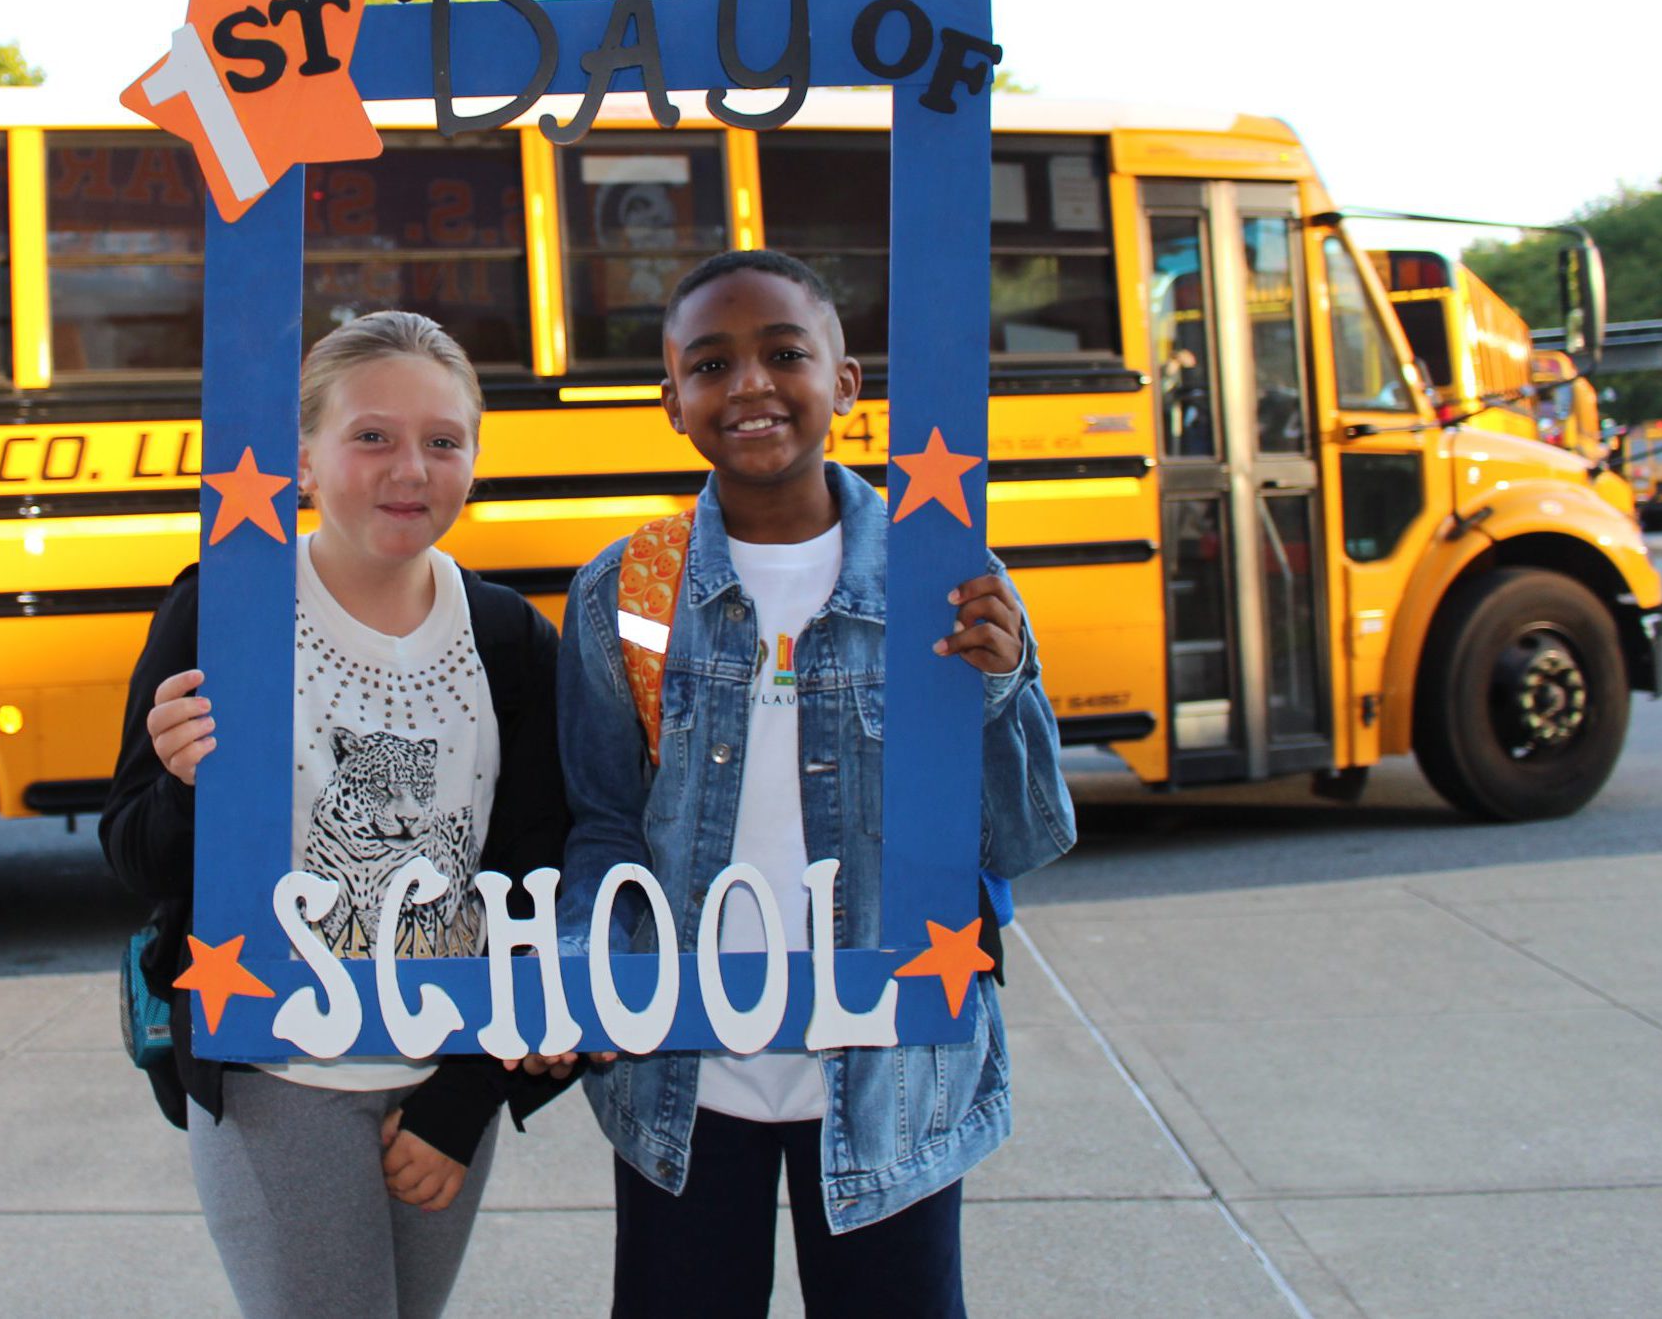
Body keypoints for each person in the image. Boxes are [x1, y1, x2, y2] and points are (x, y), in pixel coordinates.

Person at [553, 249, 1076, 1318]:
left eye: (784, 353)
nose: (749, 384)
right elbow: (603, 824)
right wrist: (584, 969)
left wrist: (1003, 685)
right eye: (710, 364)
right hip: (683, 1076)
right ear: (672, 402)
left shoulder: (945, 579)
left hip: (892, 1075)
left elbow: (1019, 836)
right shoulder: (625, 589)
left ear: (843, 382)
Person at [100, 309, 573, 1319]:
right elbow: (134, 851)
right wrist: (185, 786)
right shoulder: (224, 611)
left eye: (442, 441)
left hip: (447, 1066)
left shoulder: (510, 638)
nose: (411, 467)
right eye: (373, 436)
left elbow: (542, 877)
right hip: (275, 1066)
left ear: (474, 461)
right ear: (302, 461)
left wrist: (465, 1098)